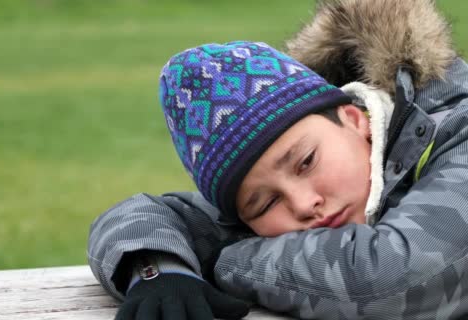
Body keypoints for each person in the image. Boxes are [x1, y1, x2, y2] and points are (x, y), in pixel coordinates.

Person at [88, 0, 468, 319]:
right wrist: (158, 270)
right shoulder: (314, 154)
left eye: (305, 162)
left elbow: (400, 279)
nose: (303, 204)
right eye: (266, 202)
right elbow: (138, 214)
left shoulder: (458, 129)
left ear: (354, 118)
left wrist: (228, 262)